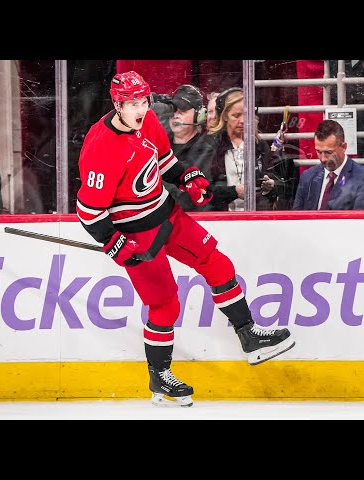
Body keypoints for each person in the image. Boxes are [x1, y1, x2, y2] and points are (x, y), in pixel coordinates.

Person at [75, 71, 295, 407]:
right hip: (136, 233)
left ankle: (249, 335)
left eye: (144, 101)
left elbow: (164, 162)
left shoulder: (147, 121)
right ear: (117, 104)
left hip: (169, 214)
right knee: (165, 304)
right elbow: (89, 210)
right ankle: (159, 375)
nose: (140, 109)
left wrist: (188, 176)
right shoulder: (101, 146)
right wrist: (114, 243)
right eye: (132, 103)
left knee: (217, 263)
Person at [204, 87, 279, 211]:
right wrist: (234, 192)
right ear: (225, 116)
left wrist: (270, 186)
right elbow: (203, 189)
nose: (243, 121)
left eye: (246, 115)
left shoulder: (260, 145)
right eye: (236, 115)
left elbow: (276, 183)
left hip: (254, 216)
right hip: (219, 218)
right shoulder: (211, 145)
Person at [292, 119, 364, 210]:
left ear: (343, 147)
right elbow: (296, 218)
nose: (323, 158)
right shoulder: (307, 176)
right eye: (319, 152)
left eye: (329, 152)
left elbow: (361, 222)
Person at [161, 84, 217, 212]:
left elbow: (186, 196)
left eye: (183, 110)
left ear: (199, 115)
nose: (176, 115)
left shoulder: (206, 149)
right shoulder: (159, 148)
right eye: (174, 109)